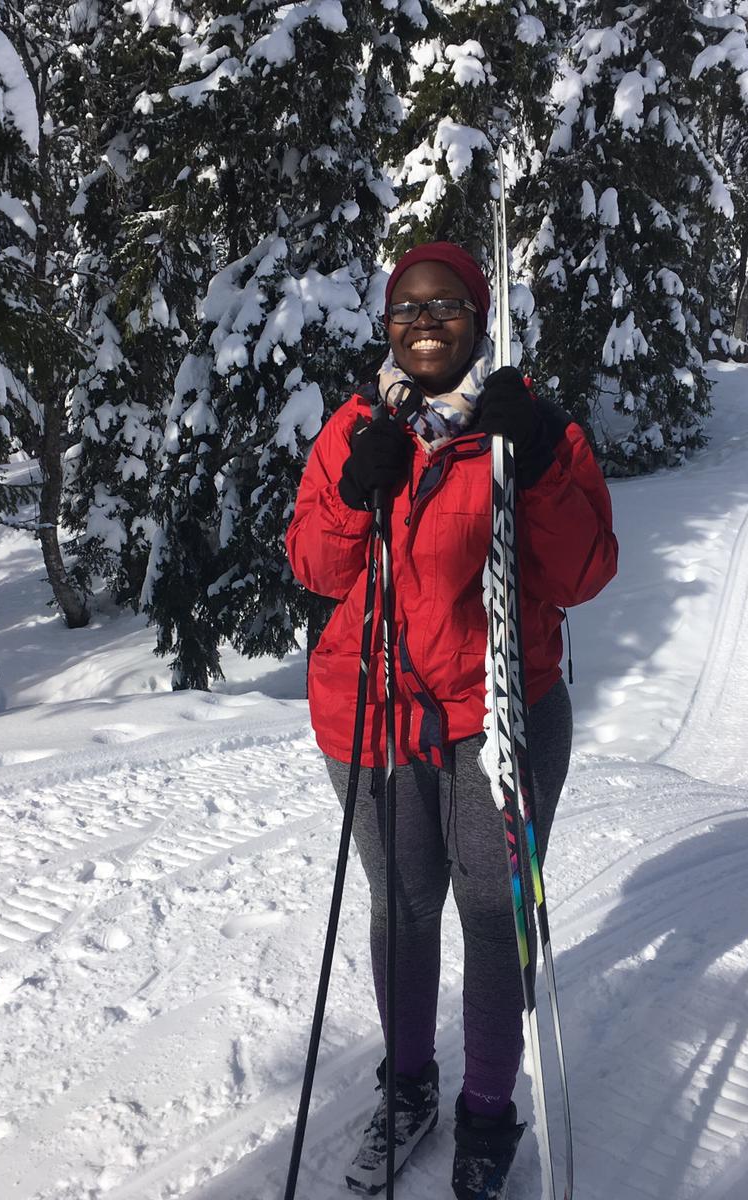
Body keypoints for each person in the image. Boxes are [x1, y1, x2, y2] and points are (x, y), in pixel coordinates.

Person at [285, 242, 618, 1198]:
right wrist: (357, 492)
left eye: (445, 306)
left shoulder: (529, 428)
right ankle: (409, 1086)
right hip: (373, 713)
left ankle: (484, 1114)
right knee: (402, 906)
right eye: (405, 308)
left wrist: (547, 458)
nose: (423, 321)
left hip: (498, 709)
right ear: (386, 326)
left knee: (490, 914)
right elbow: (313, 565)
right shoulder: (353, 426)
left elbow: (584, 572)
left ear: (477, 317)